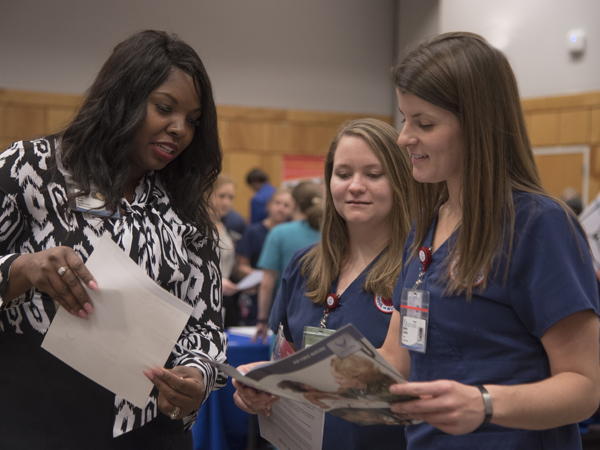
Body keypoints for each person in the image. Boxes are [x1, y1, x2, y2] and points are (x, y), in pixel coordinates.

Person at [0, 30, 227, 450]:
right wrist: (24, 268)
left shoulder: (185, 209)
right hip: (34, 423)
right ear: (122, 97)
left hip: (149, 433)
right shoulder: (32, 168)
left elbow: (206, 328)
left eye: (193, 120)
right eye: (164, 108)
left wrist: (195, 375)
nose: (179, 129)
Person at [377, 32, 600, 449]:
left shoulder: (538, 225)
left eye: (424, 123)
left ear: (477, 127)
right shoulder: (426, 224)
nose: (405, 137)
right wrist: (293, 386)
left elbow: (584, 387)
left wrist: (485, 402)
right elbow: (397, 359)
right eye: (405, 119)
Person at [233, 118, 413, 450]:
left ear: (401, 182)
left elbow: (410, 377)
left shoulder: (417, 270)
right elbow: (282, 356)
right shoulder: (303, 265)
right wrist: (260, 386)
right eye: (343, 174)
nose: (355, 186)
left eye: (373, 175)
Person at [253, 181, 323, 342]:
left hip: (287, 327)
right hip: (323, 326)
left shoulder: (279, 233)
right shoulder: (331, 235)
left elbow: (266, 283)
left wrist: (262, 320)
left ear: (294, 203)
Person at [236, 188, 294, 324]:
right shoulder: (253, 232)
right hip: (256, 296)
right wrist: (264, 276)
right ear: (269, 205)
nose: (281, 208)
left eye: (286, 205)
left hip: (284, 297)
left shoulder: (292, 235)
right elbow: (241, 267)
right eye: (277, 203)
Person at [209, 173, 242, 327]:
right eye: (221, 196)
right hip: (205, 297)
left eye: (230, 197)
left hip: (224, 299)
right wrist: (218, 281)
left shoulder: (224, 226)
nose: (226, 202)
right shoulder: (197, 227)